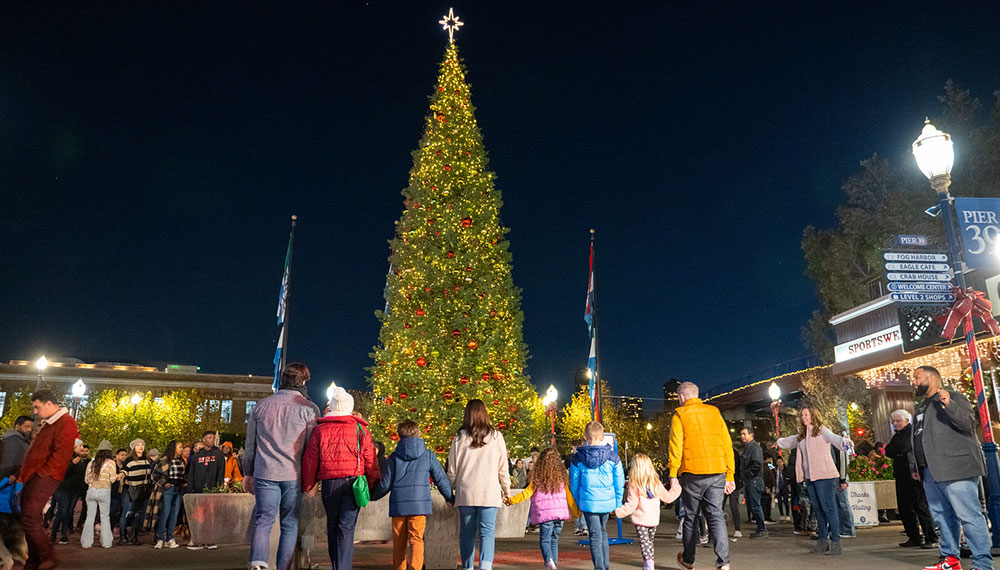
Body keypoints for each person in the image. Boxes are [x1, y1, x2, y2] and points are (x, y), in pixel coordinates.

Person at [911, 365, 992, 570]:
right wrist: (916, 464)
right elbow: (919, 437)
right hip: (930, 470)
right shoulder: (922, 405)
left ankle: (982, 564)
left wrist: (949, 405)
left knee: (969, 516)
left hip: (956, 469)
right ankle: (950, 559)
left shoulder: (953, 396)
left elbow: (967, 423)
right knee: (941, 517)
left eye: (917, 377)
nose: (914, 381)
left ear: (932, 378)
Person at [244, 362, 321, 570]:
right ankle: (283, 567)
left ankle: (258, 562)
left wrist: (247, 474)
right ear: (303, 381)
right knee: (289, 524)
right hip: (293, 474)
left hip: (265, 471)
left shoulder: (262, 405)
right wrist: (312, 478)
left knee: (264, 520)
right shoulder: (309, 409)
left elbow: (250, 444)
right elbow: (311, 450)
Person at [301, 386, 379, 570]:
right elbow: (371, 461)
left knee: (333, 526)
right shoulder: (361, 429)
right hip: (353, 483)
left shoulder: (320, 430)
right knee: (346, 528)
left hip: (330, 484)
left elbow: (310, 460)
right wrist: (373, 484)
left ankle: (337, 564)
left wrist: (309, 484)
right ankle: (343, 566)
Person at [371, 420, 454, 570]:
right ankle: (415, 567)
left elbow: (385, 484)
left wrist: (372, 496)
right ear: (418, 433)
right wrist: (450, 497)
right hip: (419, 507)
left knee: (399, 542)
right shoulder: (428, 455)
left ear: (399, 436)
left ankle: (400, 568)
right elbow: (441, 479)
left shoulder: (394, 458)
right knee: (416, 540)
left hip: (398, 506)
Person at [668, 382, 734, 570]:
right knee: (716, 516)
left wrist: (673, 474)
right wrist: (730, 474)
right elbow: (726, 444)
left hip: (693, 473)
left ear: (681, 397)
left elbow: (675, 446)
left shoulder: (680, 415)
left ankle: (689, 560)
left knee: (690, 517)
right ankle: (724, 562)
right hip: (717, 471)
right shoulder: (714, 412)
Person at [447, 399, 512, 570]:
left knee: (466, 534)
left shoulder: (459, 438)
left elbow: (452, 470)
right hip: (489, 492)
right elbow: (502, 468)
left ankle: (467, 567)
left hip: (466, 493)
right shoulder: (496, 437)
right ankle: (485, 566)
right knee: (487, 533)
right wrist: (507, 489)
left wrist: (448, 492)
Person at [18, 390, 79, 570]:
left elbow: (61, 453)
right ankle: (35, 559)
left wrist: (44, 473)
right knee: (28, 516)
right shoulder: (51, 423)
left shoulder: (65, 422)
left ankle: (47, 556)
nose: (35, 411)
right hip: (36, 476)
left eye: (37, 407)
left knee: (29, 515)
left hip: (44, 477)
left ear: (49, 404)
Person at [777, 405, 849, 555]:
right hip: (810, 477)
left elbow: (835, 439)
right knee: (818, 510)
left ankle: (835, 542)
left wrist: (845, 442)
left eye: (806, 415)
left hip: (826, 476)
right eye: (802, 415)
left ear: (813, 415)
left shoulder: (822, 430)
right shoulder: (801, 435)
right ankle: (822, 541)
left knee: (828, 508)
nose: (803, 418)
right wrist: (778, 442)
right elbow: (789, 441)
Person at [505, 447, 580, 570]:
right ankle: (553, 564)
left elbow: (526, 494)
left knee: (545, 541)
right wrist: (577, 512)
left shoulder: (537, 479)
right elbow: (570, 498)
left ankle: (549, 560)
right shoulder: (562, 479)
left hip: (545, 516)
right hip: (560, 516)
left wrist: (511, 500)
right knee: (554, 541)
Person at [570, 421, 624, 570]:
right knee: (603, 531)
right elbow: (619, 482)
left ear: (585, 437)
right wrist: (617, 502)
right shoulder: (613, 457)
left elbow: (574, 483)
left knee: (594, 535)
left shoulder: (578, 459)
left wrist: (578, 501)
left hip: (588, 502)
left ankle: (599, 567)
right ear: (602, 436)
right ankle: (605, 565)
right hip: (607, 502)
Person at [614, 453, 680, 570]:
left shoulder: (634, 484)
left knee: (645, 544)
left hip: (641, 520)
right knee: (649, 543)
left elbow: (631, 505)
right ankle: (648, 565)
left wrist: (618, 511)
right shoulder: (656, 483)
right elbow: (668, 497)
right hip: (653, 519)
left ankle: (649, 566)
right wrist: (677, 487)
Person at [885, 409, 938, 548]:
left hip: (912, 473)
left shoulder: (911, 432)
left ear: (907, 420)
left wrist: (896, 450)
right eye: (893, 421)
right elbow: (889, 451)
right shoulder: (897, 435)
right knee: (904, 507)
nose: (895, 424)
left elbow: (902, 447)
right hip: (901, 474)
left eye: (897, 421)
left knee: (920, 506)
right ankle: (914, 536)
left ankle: (930, 537)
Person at [186, 430, 224, 550]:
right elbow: (191, 472)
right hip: (198, 489)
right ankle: (197, 539)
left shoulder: (218, 454)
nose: (211, 440)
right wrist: (190, 488)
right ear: (203, 439)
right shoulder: (197, 455)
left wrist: (219, 488)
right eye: (208, 438)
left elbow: (221, 472)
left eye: (212, 438)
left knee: (211, 515)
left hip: (212, 490)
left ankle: (209, 540)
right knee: (198, 515)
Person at [50, 442, 89, 544]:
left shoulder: (79, 459)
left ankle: (63, 535)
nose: (82, 448)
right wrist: (72, 463)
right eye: (80, 446)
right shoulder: (65, 457)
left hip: (74, 490)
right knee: (62, 511)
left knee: (67, 512)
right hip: (63, 489)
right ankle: (54, 535)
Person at [81, 440, 116, 549]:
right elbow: (113, 479)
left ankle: (86, 543)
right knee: (105, 517)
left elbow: (86, 480)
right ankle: (106, 542)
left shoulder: (91, 463)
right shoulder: (111, 463)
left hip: (91, 491)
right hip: (104, 491)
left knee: (90, 517)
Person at [119, 439, 153, 546]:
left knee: (138, 513)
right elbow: (124, 471)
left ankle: (134, 535)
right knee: (127, 512)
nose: (140, 447)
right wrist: (121, 475)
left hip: (142, 490)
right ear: (134, 447)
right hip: (129, 489)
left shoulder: (147, 460)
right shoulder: (129, 460)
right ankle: (123, 536)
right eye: (138, 445)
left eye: (142, 445)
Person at [151, 440, 184, 549]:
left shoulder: (180, 460)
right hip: (168, 490)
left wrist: (184, 483)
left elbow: (183, 475)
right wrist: (164, 483)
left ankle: (170, 538)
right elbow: (155, 475)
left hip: (178, 489)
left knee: (174, 515)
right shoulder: (164, 460)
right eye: (180, 447)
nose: (181, 449)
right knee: (164, 514)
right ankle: (160, 538)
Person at [739, 427, 767, 538]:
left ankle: (762, 529)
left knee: (756, 505)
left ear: (751, 435)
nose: (742, 436)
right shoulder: (749, 448)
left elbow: (757, 464)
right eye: (741, 434)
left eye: (744, 434)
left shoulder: (754, 448)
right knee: (753, 505)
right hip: (751, 480)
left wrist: (748, 474)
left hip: (754, 480)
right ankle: (760, 528)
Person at [775, 456, 790, 521]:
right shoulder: (775, 470)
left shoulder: (786, 469)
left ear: (783, 462)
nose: (779, 463)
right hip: (778, 488)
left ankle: (787, 514)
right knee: (779, 502)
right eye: (778, 462)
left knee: (786, 502)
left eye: (780, 462)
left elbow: (788, 478)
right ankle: (781, 514)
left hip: (785, 488)